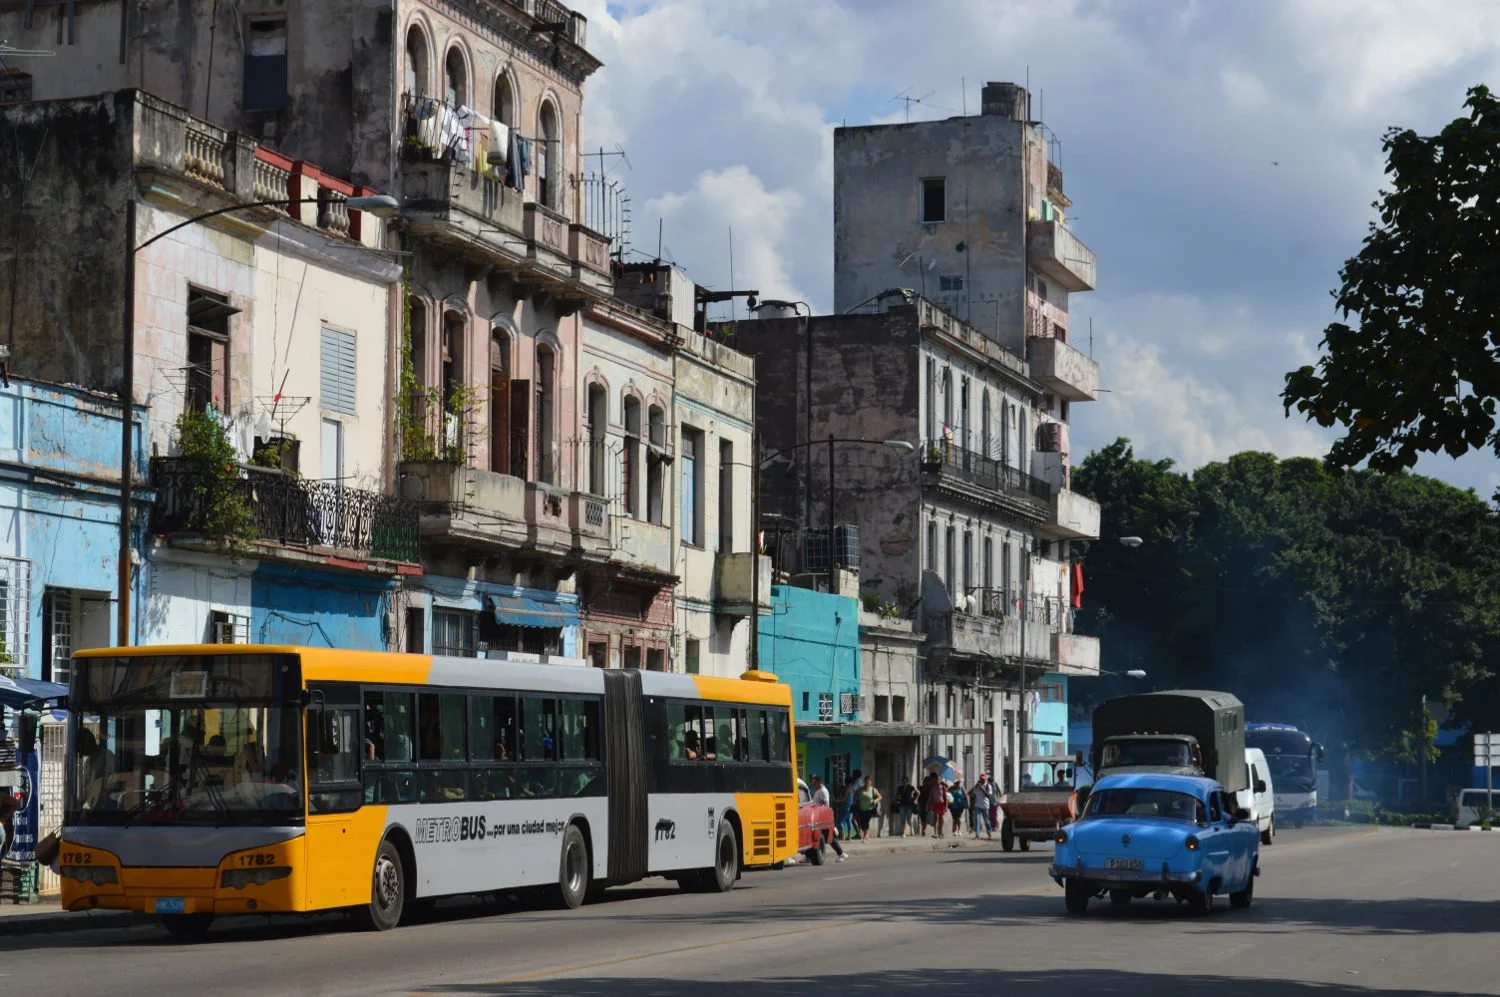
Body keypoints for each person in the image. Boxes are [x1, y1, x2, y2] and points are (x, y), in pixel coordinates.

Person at [808, 775, 846, 862]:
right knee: (827, 837)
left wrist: (822, 817)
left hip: (822, 818)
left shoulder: (823, 791)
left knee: (830, 837)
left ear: (819, 782)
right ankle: (841, 853)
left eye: (815, 783)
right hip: (818, 817)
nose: (814, 785)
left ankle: (841, 853)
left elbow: (826, 805)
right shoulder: (819, 790)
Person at [854, 775, 882, 842]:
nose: (867, 783)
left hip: (870, 809)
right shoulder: (860, 789)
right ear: (864, 782)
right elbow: (855, 796)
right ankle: (866, 835)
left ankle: (865, 836)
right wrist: (856, 800)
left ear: (870, 783)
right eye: (866, 782)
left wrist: (875, 800)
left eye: (868, 782)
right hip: (861, 808)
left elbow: (880, 796)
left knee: (865, 822)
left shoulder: (873, 790)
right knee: (862, 823)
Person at [841, 770, 863, 840]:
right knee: (854, 819)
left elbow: (853, 790)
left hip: (857, 802)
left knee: (853, 819)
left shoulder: (857, 782)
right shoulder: (860, 781)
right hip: (857, 802)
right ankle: (858, 834)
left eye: (854, 775)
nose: (853, 776)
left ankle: (858, 834)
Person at [971, 774, 994, 838]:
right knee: (977, 821)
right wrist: (973, 804)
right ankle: (977, 835)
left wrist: (982, 789)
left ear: (985, 779)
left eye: (983, 779)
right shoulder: (976, 786)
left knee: (986, 821)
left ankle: (989, 834)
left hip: (985, 806)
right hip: (977, 805)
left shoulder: (988, 786)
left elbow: (989, 796)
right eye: (981, 779)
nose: (982, 780)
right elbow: (974, 795)